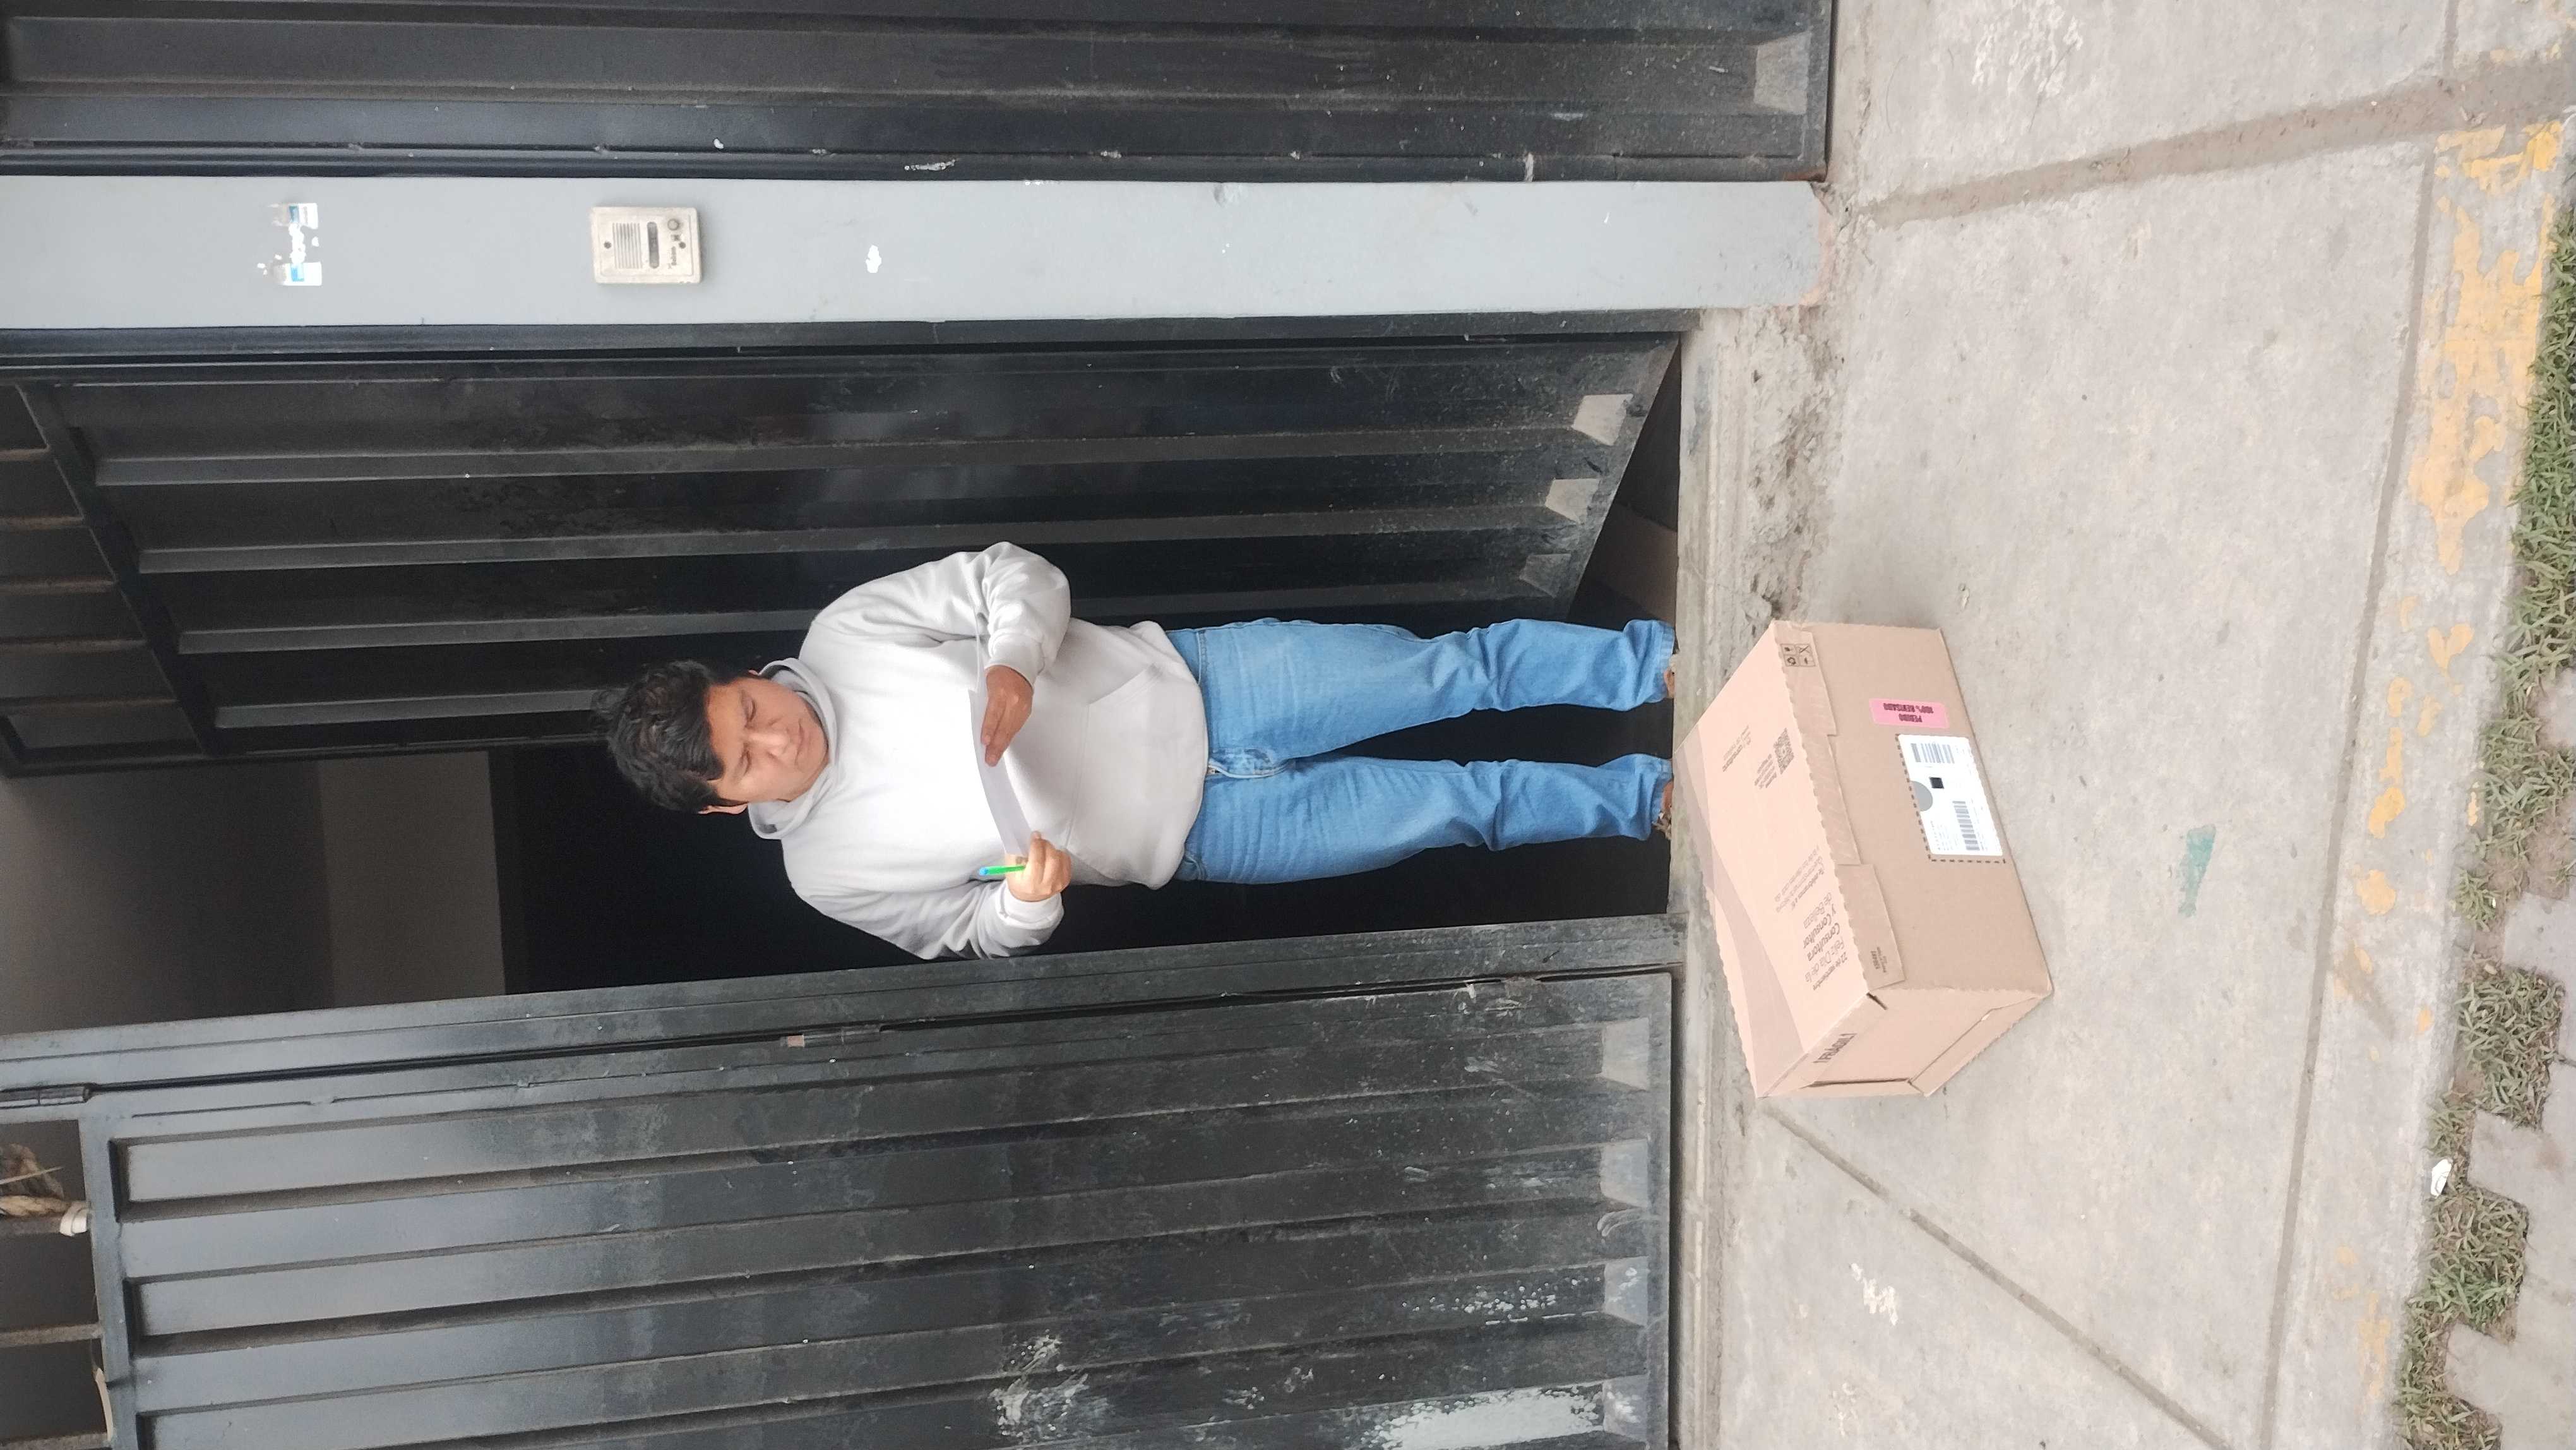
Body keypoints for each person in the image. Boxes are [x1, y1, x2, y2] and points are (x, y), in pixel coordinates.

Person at [594, 542, 1674, 960]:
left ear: (743, 675)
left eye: (749, 706)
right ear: (727, 806)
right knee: (1462, 810)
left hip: (1214, 680)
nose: (776, 732)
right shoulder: (826, 876)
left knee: (1452, 672)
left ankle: (1648, 666)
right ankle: (1646, 803)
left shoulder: (849, 633)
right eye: (748, 759)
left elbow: (1011, 575)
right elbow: (966, 929)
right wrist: (1026, 903)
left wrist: (1013, 661)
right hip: (1214, 835)